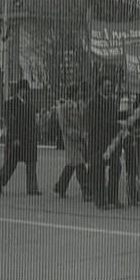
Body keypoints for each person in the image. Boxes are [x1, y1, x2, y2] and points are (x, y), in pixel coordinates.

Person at [0, 80, 41, 195]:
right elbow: (9, 122)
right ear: (20, 90)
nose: (26, 92)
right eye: (25, 90)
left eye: (27, 90)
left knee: (31, 163)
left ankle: (32, 189)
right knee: (10, 163)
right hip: (17, 139)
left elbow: (34, 122)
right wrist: (14, 138)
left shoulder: (30, 105)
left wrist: (36, 135)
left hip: (29, 139)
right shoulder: (10, 104)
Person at [86, 76, 121, 209]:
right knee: (98, 171)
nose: (109, 88)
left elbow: (114, 116)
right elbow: (100, 122)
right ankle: (100, 201)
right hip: (98, 142)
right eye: (107, 85)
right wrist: (118, 124)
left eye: (110, 85)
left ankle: (113, 198)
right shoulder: (93, 102)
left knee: (116, 167)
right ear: (100, 86)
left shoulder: (111, 101)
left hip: (112, 142)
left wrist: (127, 114)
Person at [53, 84, 91, 200]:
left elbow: (84, 121)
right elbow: (64, 126)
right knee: (79, 163)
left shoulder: (80, 105)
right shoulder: (64, 107)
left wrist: (84, 134)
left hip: (81, 139)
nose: (81, 93)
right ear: (73, 93)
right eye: (78, 91)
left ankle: (60, 187)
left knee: (71, 164)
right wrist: (77, 134)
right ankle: (86, 191)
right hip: (70, 140)